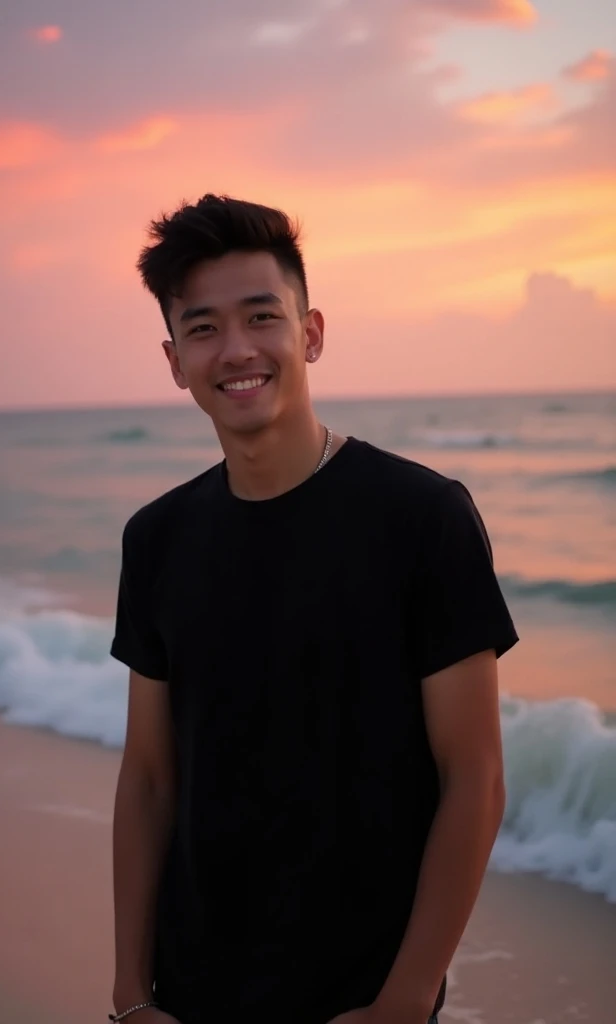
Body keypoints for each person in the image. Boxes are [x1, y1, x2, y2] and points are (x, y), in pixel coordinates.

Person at [109, 194, 519, 1024]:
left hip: (361, 998)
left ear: (312, 332)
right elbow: (150, 778)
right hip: (193, 995)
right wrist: (127, 995)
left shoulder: (422, 518)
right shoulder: (156, 538)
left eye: (263, 317)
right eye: (203, 328)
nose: (237, 351)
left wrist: (404, 1002)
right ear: (174, 358)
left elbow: (472, 777)